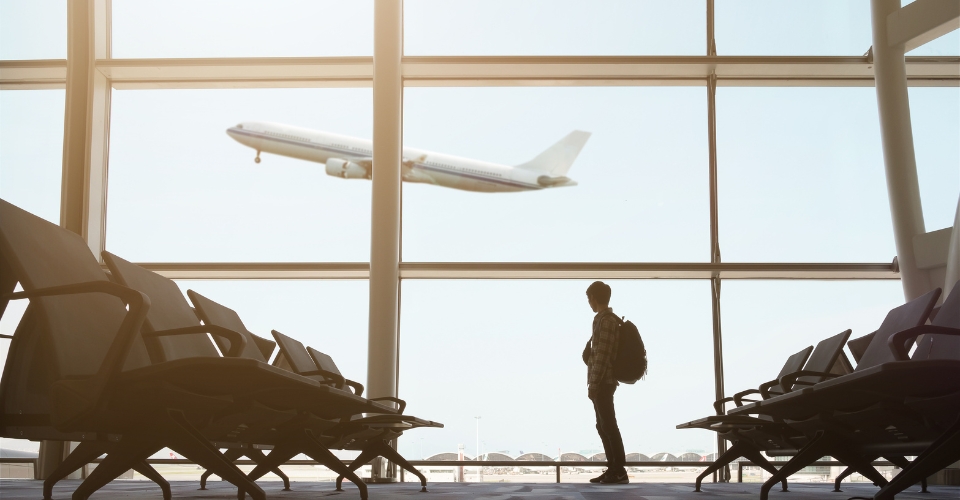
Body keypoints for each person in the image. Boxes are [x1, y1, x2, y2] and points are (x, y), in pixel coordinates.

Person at [584, 281, 628, 484]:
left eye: (589, 298)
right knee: (603, 426)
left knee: (608, 426)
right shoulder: (602, 320)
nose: (589, 303)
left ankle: (618, 471)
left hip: (603, 381)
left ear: (594, 297)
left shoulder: (606, 321)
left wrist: (593, 384)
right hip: (601, 380)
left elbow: (602, 354)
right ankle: (613, 469)